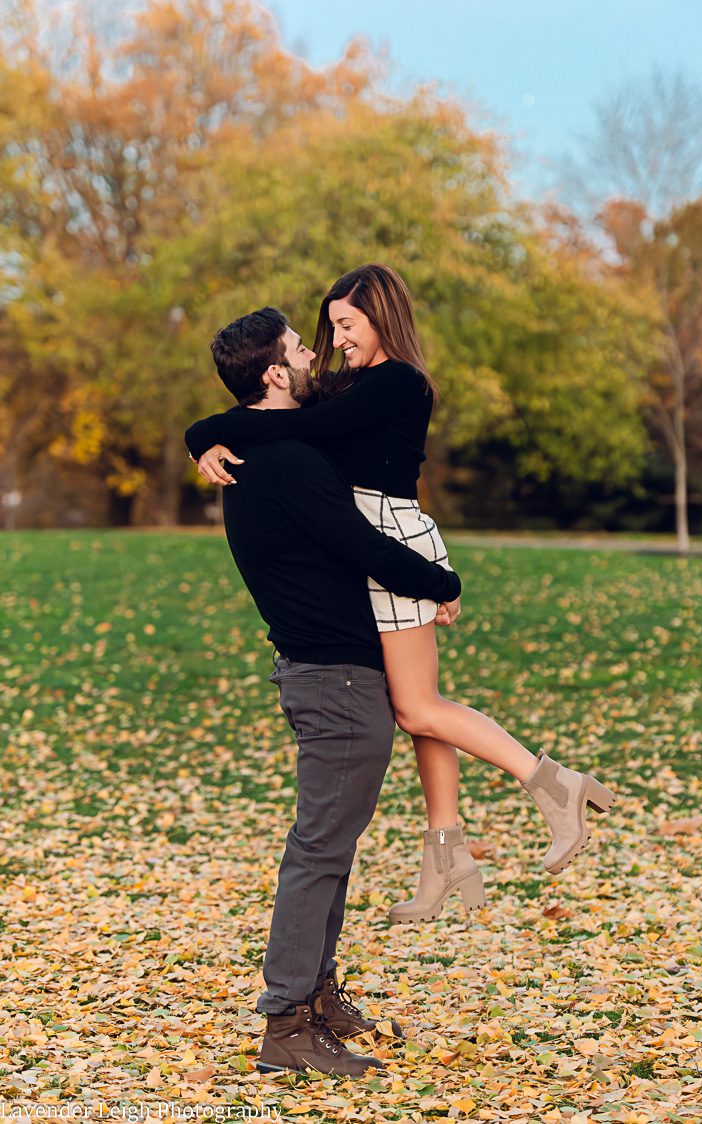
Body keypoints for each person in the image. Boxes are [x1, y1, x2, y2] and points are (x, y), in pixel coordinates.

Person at [185, 264, 616, 930]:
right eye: (330, 328)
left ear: (382, 316)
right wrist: (200, 438)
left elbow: (298, 432)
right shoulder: (348, 383)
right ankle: (445, 850)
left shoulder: (398, 384)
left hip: (390, 536)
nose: (337, 339)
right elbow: (272, 410)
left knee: (419, 706)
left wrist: (206, 436)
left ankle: (556, 787)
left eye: (348, 325)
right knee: (420, 709)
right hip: (370, 535)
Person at [197, 306, 464, 1077]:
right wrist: (442, 581)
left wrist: (200, 436)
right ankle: (285, 1025)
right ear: (276, 373)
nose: (316, 352)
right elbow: (364, 547)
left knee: (329, 849)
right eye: (298, 347)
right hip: (336, 680)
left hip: (328, 673)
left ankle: (314, 997)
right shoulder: (284, 464)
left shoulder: (267, 450)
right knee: (318, 852)